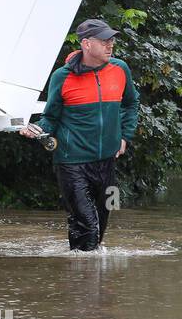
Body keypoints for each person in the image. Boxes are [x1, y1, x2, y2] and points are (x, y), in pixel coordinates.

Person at [21, 18, 140, 251]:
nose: (111, 44)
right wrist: (35, 129)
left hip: (107, 161)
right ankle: (84, 280)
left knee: (106, 214)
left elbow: (131, 103)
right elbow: (51, 118)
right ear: (86, 44)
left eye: (112, 40)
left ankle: (82, 273)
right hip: (72, 163)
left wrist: (125, 136)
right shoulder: (62, 77)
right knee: (87, 225)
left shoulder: (120, 69)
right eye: (105, 40)